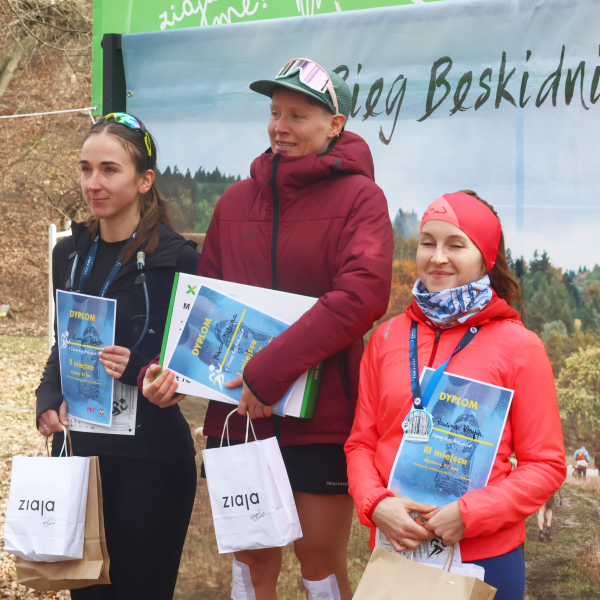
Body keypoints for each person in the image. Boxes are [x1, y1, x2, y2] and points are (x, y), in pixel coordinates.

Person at [142, 58, 393, 600]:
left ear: (335, 124)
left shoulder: (361, 198)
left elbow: (362, 296)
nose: (281, 126)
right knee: (251, 561)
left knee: (319, 559)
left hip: (322, 416)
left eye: (298, 115)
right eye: (276, 112)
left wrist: (268, 372)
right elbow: (204, 309)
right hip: (238, 414)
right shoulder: (235, 201)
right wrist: (172, 372)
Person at [345, 191, 566, 600]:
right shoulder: (387, 337)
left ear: (485, 258)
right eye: (427, 242)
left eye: (456, 245)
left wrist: (470, 514)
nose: (437, 257)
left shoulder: (521, 347)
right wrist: (375, 503)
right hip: (397, 550)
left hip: (485, 558)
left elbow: (545, 465)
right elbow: (361, 443)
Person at [36, 113, 200, 600]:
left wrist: (144, 370)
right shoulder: (69, 254)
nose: (94, 183)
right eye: (86, 169)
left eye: (109, 169)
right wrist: (48, 394)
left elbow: (196, 363)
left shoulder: (178, 259)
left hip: (152, 462)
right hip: (82, 456)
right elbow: (64, 339)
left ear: (145, 180)